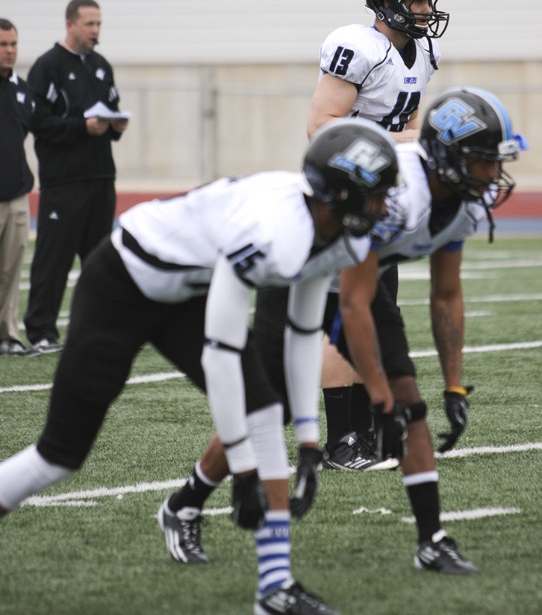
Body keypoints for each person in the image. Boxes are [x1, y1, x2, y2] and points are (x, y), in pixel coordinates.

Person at [0, 118, 405, 615]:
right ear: (338, 196)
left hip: (186, 292)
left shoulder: (334, 232)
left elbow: (302, 335)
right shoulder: (273, 234)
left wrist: (306, 441)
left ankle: (275, 588)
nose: (385, 208)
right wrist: (241, 469)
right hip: (121, 284)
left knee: (263, 412)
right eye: (376, 195)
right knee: (60, 455)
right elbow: (221, 351)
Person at [157, 87, 525, 578]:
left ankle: (431, 539)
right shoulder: (397, 194)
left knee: (409, 400)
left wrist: (453, 385)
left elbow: (446, 295)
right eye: (482, 161)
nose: (491, 175)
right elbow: (351, 304)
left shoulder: (460, 202)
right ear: (448, 157)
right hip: (300, 270)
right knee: (271, 410)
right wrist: (378, 401)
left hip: (358, 276)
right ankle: (185, 502)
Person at [309, 0, 450, 471]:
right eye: (415, 0)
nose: (423, 10)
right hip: (343, 193)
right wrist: (403, 141)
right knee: (348, 318)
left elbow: (407, 119)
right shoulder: (358, 46)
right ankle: (343, 441)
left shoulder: (422, 51)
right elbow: (321, 125)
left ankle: (372, 430)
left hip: (382, 195)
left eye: (425, 0)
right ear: (387, 3)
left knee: (377, 313)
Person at [23, 0, 129, 353]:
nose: (96, 31)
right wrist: (82, 128)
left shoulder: (101, 66)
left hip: (101, 176)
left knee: (100, 260)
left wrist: (116, 125)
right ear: (70, 24)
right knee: (54, 259)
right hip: (64, 181)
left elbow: (111, 110)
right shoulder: (48, 66)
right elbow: (38, 121)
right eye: (89, 24)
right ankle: (41, 331)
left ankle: (99, 328)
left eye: (99, 24)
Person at [0, 19, 40, 357]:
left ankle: (8, 335)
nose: (10, 51)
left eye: (13, 44)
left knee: (11, 270)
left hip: (16, 195)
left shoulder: (22, 88)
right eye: (3, 45)